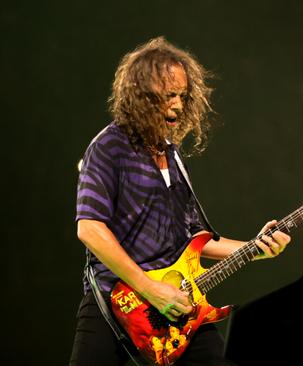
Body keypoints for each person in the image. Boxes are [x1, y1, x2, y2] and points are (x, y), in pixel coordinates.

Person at [70, 37, 291, 365]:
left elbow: (193, 240)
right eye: (168, 95)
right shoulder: (109, 146)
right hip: (117, 301)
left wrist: (255, 247)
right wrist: (149, 288)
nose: (177, 105)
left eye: (183, 96)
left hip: (176, 306)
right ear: (141, 95)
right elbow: (89, 229)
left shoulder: (172, 157)